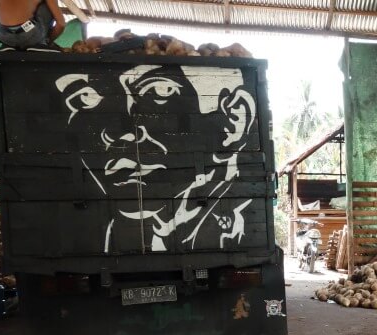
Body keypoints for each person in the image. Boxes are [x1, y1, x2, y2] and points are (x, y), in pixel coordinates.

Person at [42, 62, 259, 253]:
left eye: (159, 91)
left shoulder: (237, 226)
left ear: (234, 123)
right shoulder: (106, 234)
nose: (114, 133)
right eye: (85, 98)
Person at [0, 0, 65, 50]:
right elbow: (61, 24)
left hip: (2, 34)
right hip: (30, 34)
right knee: (47, 6)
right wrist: (49, 40)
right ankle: (43, 43)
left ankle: (9, 45)